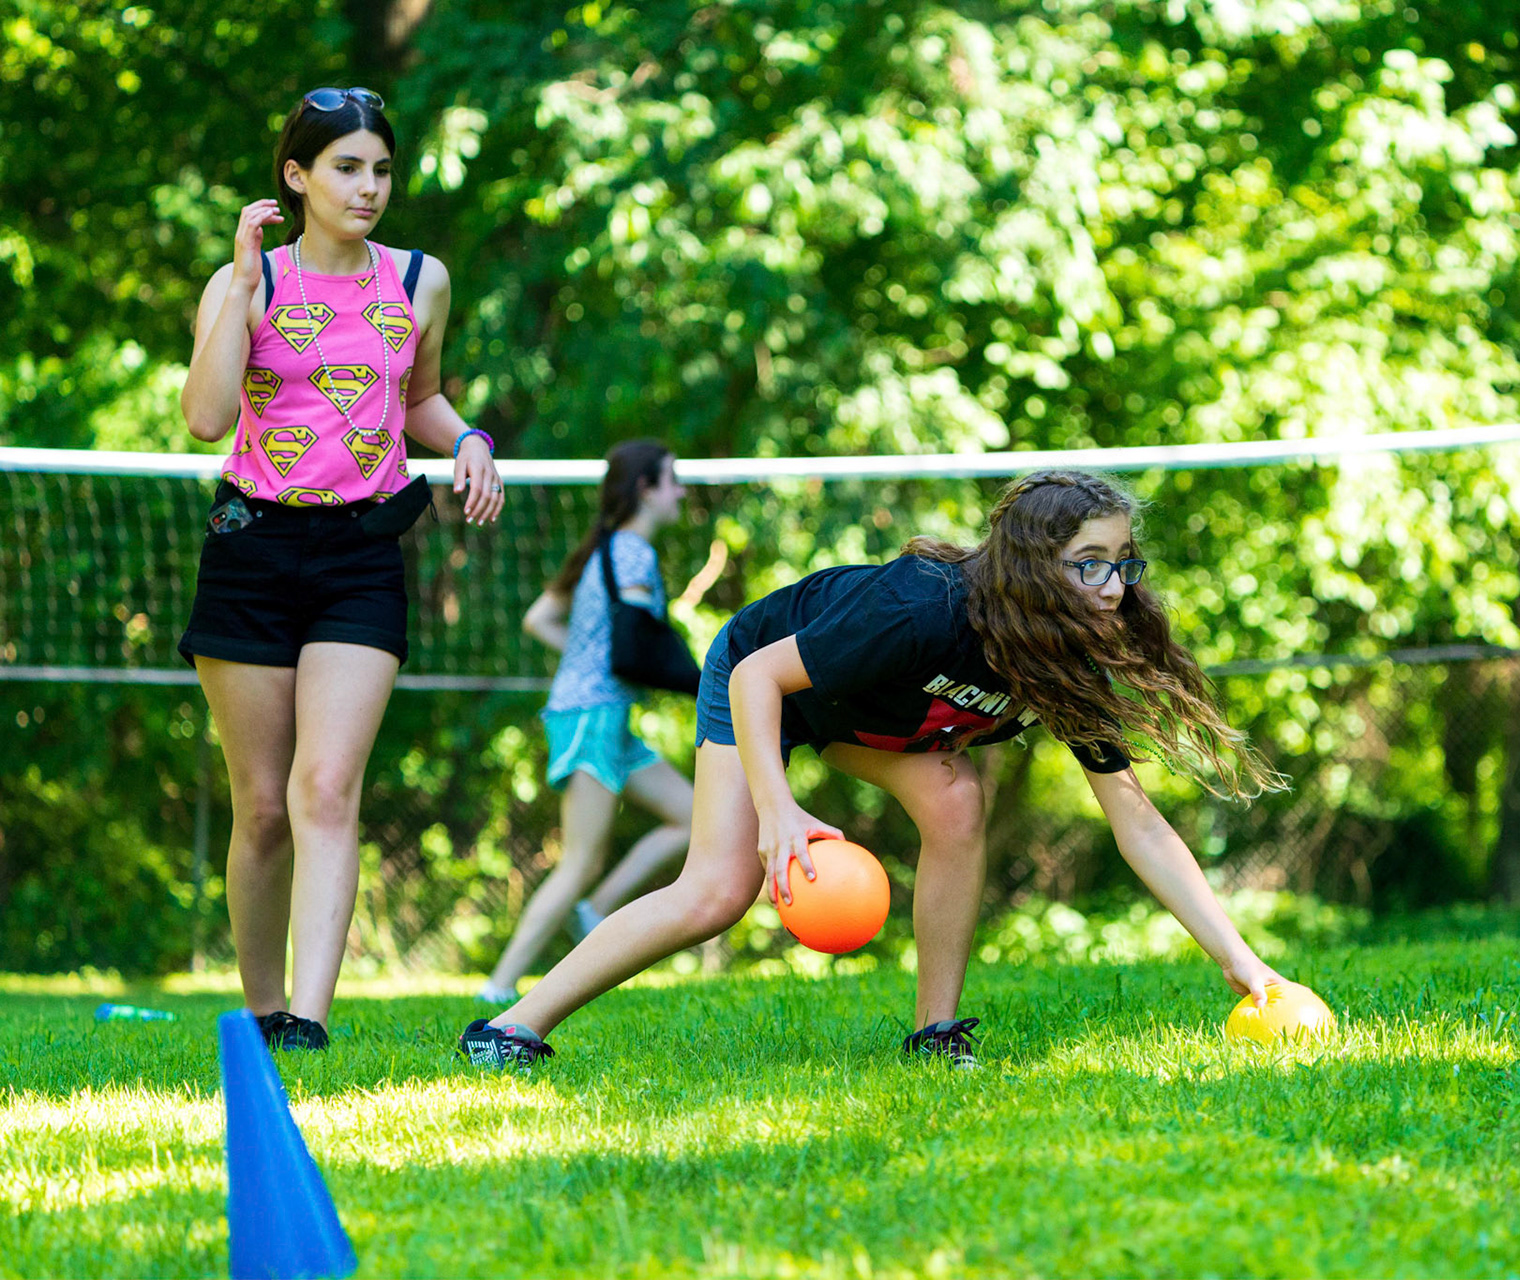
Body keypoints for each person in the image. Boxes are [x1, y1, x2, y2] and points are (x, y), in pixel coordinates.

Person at [458, 471, 1290, 1069]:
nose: (1114, 586)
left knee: (959, 800)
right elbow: (759, 680)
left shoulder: (1066, 663)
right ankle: (509, 1028)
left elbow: (1136, 820)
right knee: (716, 893)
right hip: (763, 675)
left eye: (1122, 562)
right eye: (1090, 563)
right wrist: (777, 811)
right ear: (1036, 567)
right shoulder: (924, 609)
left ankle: (936, 1035)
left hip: (861, 713)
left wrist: (1241, 963)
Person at [177, 86, 504, 1050]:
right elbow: (203, 417)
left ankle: (307, 1026)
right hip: (252, 545)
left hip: (363, 551)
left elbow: (422, 397)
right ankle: (261, 1006)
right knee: (265, 806)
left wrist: (470, 439)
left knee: (327, 788)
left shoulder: (421, 279)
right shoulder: (251, 281)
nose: (369, 189)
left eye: (382, 170)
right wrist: (238, 286)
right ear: (297, 176)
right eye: (347, 168)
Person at [477, 440, 697, 1005]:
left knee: (693, 817)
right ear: (646, 490)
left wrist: (584, 659)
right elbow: (642, 643)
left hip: (603, 715)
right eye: (673, 480)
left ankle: (597, 911)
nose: (681, 491)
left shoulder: (605, 548)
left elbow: (539, 619)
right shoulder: (631, 552)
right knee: (578, 862)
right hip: (590, 717)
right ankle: (499, 987)